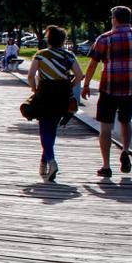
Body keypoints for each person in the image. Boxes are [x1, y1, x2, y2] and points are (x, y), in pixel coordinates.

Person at [81, 5, 132, 177]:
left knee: (106, 126)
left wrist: (86, 85)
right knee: (126, 121)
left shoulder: (105, 38)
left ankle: (106, 166)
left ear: (114, 19)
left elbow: (93, 64)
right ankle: (125, 150)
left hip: (110, 87)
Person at [26, 26, 83, 182]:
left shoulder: (41, 55)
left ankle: (51, 161)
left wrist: (34, 89)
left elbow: (31, 75)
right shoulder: (68, 55)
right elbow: (79, 75)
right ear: (63, 40)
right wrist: (69, 86)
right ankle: (43, 163)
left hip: (45, 93)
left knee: (45, 128)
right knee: (51, 128)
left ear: (48, 40)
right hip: (62, 95)